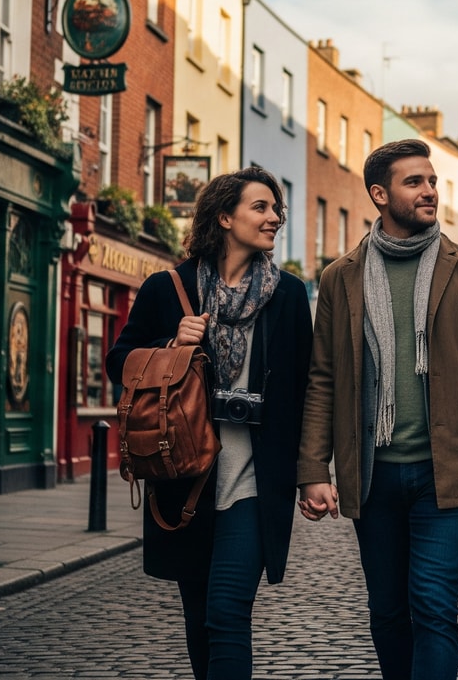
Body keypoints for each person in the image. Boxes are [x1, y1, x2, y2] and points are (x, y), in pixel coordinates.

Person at [297, 138, 458, 680]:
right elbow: (323, 379)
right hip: (372, 474)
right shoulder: (340, 276)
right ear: (379, 195)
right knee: (388, 611)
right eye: (414, 182)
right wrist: (313, 469)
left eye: (432, 181)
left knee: (432, 605)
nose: (429, 191)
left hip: (446, 474)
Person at [106, 167, 312, 679]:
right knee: (198, 619)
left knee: (226, 611)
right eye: (260, 207)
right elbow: (120, 362)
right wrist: (171, 345)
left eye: (275, 209)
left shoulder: (286, 295)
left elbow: (308, 387)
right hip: (184, 477)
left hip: (253, 480)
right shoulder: (166, 288)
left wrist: (314, 470)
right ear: (224, 216)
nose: (274, 218)